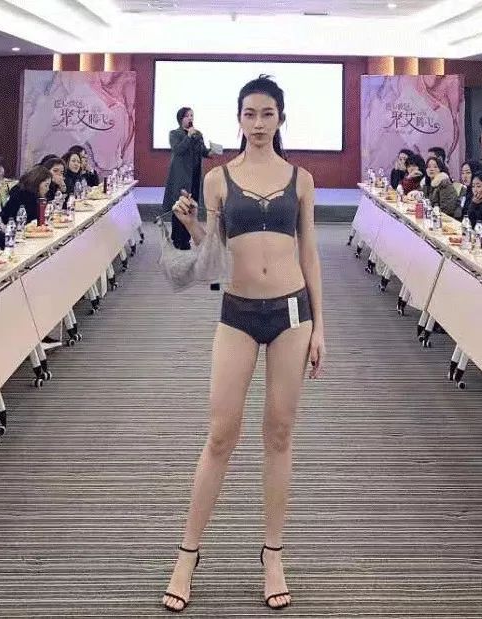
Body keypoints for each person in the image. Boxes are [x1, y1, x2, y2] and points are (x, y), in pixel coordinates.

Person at [162, 76, 325, 612]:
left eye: (267, 114)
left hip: (292, 313)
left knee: (279, 434)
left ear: (280, 119)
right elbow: (215, 256)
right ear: (238, 119)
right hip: (236, 312)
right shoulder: (218, 178)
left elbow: (310, 253)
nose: (258, 123)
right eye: (250, 114)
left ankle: (272, 554)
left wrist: (320, 327)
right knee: (220, 435)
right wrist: (192, 224)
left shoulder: (301, 180)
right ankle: (187, 554)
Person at [162, 107, 213, 250]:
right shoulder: (174, 134)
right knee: (180, 206)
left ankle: (185, 239)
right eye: (187, 116)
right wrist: (189, 136)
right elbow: (178, 150)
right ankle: (177, 238)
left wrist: (210, 152)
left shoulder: (198, 134)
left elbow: (202, 151)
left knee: (190, 207)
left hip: (194, 176)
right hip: (181, 176)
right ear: (181, 119)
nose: (190, 118)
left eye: (192, 115)